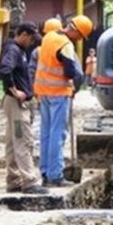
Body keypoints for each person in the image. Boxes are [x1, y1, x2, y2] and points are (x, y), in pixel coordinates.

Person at [34, 15, 94, 187]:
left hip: (43, 92)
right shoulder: (65, 44)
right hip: (58, 93)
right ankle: (55, 175)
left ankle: (45, 172)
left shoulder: (49, 37)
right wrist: (75, 82)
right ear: (75, 30)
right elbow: (70, 71)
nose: (80, 40)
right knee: (57, 134)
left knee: (46, 133)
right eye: (80, 36)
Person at [0, 22, 48, 194]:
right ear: (24, 34)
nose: (32, 42)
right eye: (32, 38)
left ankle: (13, 180)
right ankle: (29, 181)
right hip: (17, 104)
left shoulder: (17, 50)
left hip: (13, 103)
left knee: (13, 143)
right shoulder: (13, 50)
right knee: (23, 140)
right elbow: (5, 70)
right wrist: (15, 91)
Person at [29, 18, 62, 85]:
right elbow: (77, 74)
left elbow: (31, 72)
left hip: (41, 90)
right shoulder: (65, 49)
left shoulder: (38, 51)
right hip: (60, 92)